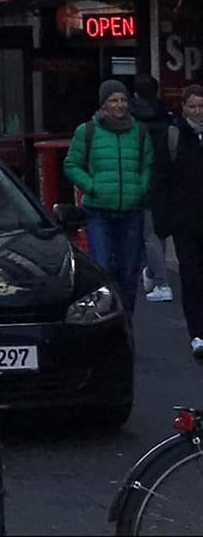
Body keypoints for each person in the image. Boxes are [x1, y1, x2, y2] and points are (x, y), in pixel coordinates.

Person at [64, 79, 153, 314]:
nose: (120, 105)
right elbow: (72, 165)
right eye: (114, 100)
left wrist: (140, 188)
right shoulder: (88, 131)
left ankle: (126, 323)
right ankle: (104, 319)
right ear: (104, 104)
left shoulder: (140, 132)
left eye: (123, 100)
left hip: (131, 211)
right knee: (102, 268)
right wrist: (92, 186)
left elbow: (148, 165)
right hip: (98, 211)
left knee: (129, 272)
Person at [157, 85, 203, 357]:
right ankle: (197, 333)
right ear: (183, 107)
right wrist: (165, 221)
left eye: (201, 107)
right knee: (192, 278)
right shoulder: (172, 136)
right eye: (193, 107)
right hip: (186, 222)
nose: (198, 112)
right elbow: (162, 181)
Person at [131, 73, 175, 302]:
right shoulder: (167, 117)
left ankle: (160, 280)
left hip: (140, 178)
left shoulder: (131, 120)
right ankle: (153, 273)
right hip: (166, 180)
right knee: (159, 231)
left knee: (149, 234)